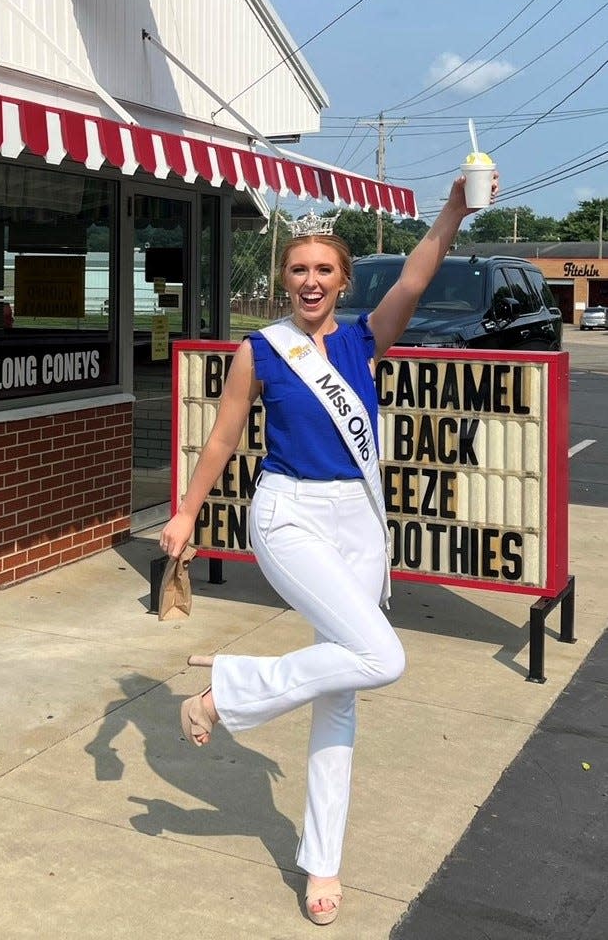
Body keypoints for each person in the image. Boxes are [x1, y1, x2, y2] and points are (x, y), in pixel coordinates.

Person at [158, 173, 497, 927]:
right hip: (288, 516)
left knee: (340, 692)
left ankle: (322, 863)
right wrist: (186, 513)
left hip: (358, 521)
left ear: (343, 280)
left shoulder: (362, 338)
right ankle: (231, 691)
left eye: (323, 270)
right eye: (297, 269)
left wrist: (452, 209)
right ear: (283, 277)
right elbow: (222, 438)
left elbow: (417, 269)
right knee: (382, 656)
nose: (309, 281)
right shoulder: (260, 351)